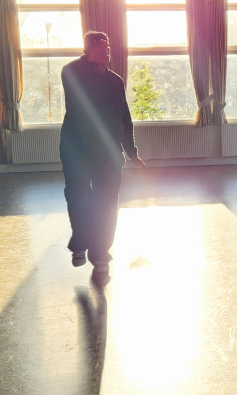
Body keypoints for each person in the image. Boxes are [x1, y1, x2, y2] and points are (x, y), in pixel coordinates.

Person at [61, 31, 146, 286]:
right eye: (99, 47)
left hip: (108, 152)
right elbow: (71, 76)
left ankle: (100, 254)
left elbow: (124, 116)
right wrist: (89, 56)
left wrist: (131, 151)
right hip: (77, 149)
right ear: (87, 51)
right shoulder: (73, 74)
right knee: (78, 195)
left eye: (107, 47)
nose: (106, 51)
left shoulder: (116, 81)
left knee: (107, 202)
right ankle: (80, 242)